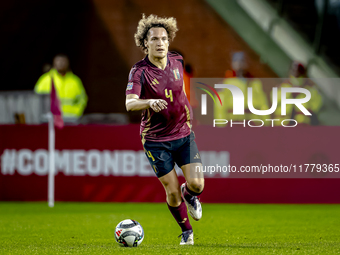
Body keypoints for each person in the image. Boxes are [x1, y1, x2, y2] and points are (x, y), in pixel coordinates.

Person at [125, 14, 204, 245]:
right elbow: (130, 103)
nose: (160, 43)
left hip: (183, 134)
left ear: (169, 41)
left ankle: (190, 196)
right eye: (154, 39)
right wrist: (148, 102)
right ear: (145, 43)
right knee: (171, 191)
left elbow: (181, 94)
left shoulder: (178, 60)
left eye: (163, 38)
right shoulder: (139, 71)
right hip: (156, 140)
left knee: (197, 185)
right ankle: (187, 232)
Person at [34, 54, 88, 121]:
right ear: (54, 62)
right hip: (51, 119)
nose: (61, 63)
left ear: (68, 63)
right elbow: (36, 100)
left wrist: (77, 113)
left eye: (63, 61)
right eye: (58, 61)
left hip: (72, 118)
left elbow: (82, 99)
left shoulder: (75, 81)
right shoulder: (45, 80)